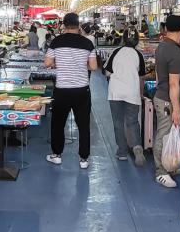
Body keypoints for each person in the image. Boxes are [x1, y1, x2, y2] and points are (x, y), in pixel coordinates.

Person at [44, 12, 97, 169]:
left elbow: (47, 63)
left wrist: (57, 63)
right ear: (78, 24)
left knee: (58, 123)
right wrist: (81, 65)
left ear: (64, 25)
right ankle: (84, 159)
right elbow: (94, 67)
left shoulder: (56, 42)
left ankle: (57, 155)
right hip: (82, 90)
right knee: (83, 124)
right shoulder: (87, 43)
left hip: (62, 90)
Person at [153, 14, 180, 189]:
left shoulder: (162, 46)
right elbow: (174, 83)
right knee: (163, 134)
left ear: (166, 29)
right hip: (168, 101)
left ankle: (171, 164)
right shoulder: (174, 52)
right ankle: (161, 171)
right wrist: (176, 108)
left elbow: (160, 75)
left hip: (163, 96)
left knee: (169, 134)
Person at [105, 29, 147, 165]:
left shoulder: (116, 52)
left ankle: (122, 152)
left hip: (115, 92)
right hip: (132, 92)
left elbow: (106, 72)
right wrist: (140, 93)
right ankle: (137, 148)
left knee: (118, 122)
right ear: (137, 41)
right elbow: (142, 77)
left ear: (123, 39)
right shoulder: (138, 55)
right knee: (132, 121)